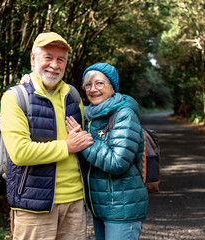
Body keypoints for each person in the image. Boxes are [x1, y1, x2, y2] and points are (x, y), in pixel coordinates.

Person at [0, 32, 94, 240]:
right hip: (34, 206)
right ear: (33, 60)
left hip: (75, 205)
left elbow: (87, 138)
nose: (54, 64)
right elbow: (20, 153)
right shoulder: (15, 98)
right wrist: (67, 146)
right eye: (48, 57)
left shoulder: (73, 96)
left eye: (60, 59)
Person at [65, 63, 148, 240]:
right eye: (88, 85)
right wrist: (29, 83)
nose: (93, 89)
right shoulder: (88, 115)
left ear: (113, 87)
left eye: (100, 83)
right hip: (100, 207)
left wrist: (84, 142)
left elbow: (118, 162)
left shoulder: (124, 114)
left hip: (122, 208)